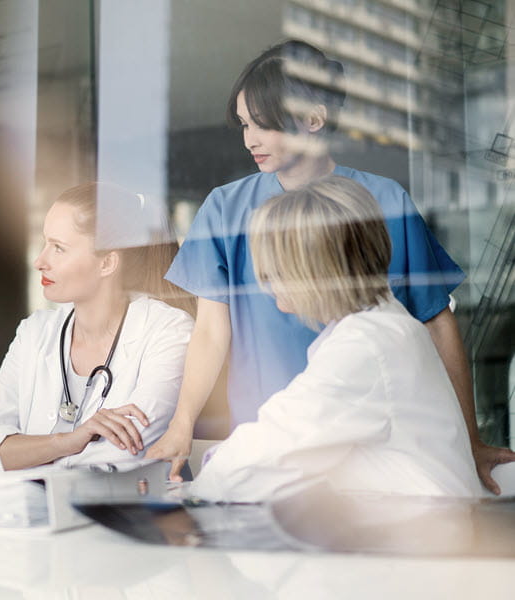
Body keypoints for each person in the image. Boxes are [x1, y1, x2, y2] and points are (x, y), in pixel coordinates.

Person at [147, 40, 515, 492]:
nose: (250, 140)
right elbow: (209, 332)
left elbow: (436, 323)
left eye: (263, 125)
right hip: (273, 441)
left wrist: (469, 440)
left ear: (313, 119)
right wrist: (182, 423)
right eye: (244, 125)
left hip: (369, 448)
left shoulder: (383, 204)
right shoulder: (226, 208)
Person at [192, 176, 482, 501]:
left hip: (416, 538)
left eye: (275, 270)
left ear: (316, 270)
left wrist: (200, 482)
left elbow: (261, 454)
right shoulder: (378, 328)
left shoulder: (365, 346)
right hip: (404, 528)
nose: (266, 283)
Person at [0, 183, 194, 469]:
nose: (39, 261)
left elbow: (125, 451)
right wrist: (67, 441)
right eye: (45, 243)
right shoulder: (35, 332)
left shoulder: (167, 331)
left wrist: (26, 453)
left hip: (119, 509)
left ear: (107, 263)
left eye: (59, 248)